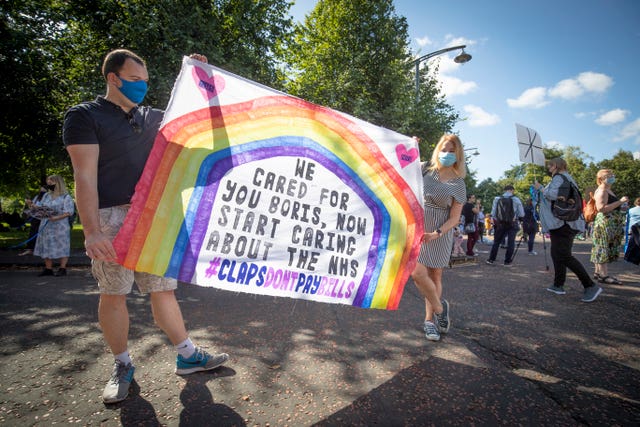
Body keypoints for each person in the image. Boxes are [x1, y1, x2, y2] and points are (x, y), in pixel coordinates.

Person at [63, 49, 229, 404]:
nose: (142, 87)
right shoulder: (84, 116)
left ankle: (187, 355)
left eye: (145, 81)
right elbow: (84, 175)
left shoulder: (156, 118)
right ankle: (122, 365)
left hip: (154, 216)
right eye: (135, 80)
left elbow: (212, 134)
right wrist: (91, 230)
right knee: (114, 292)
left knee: (164, 289)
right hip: (109, 217)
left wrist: (205, 83)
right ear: (113, 77)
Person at [411, 134, 466, 341]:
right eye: (444, 150)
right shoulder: (425, 168)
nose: (447, 154)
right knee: (417, 273)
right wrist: (411, 146)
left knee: (435, 277)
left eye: (452, 152)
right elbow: (401, 164)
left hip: (440, 232)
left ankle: (429, 321)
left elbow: (455, 217)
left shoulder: (458, 183)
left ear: (458, 155)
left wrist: (437, 233)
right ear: (438, 150)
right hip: (419, 229)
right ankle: (440, 309)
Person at [534, 158, 602, 302]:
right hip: (565, 222)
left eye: (550, 165)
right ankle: (558, 284)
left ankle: (590, 286)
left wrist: (540, 188)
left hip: (562, 222)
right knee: (557, 253)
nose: (549, 168)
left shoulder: (559, 178)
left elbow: (553, 195)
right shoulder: (567, 178)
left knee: (563, 255)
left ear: (556, 166)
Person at [590, 169, 629, 285]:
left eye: (612, 175)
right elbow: (601, 208)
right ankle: (604, 275)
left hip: (609, 222)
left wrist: (620, 207)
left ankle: (598, 273)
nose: (612, 177)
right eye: (608, 175)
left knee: (601, 246)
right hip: (605, 223)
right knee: (603, 247)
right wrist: (620, 202)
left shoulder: (607, 190)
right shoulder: (602, 190)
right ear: (601, 179)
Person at [30, 175, 74, 276]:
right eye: (48, 183)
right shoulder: (46, 196)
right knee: (47, 245)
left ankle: (62, 269)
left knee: (62, 245)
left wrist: (56, 218)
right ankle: (48, 269)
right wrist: (32, 205)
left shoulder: (66, 196)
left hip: (60, 226)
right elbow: (41, 208)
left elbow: (69, 212)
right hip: (46, 225)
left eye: (51, 184)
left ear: (58, 183)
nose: (49, 185)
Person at [486, 185, 524, 266]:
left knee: (496, 242)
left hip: (501, 224)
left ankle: (491, 259)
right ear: (511, 190)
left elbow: (493, 213)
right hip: (512, 224)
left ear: (505, 190)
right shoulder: (516, 199)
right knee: (511, 242)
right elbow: (522, 214)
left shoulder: (497, 199)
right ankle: (507, 261)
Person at [18, 186, 47, 256]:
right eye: (41, 188)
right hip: (35, 218)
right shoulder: (37, 197)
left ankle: (42, 250)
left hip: (45, 218)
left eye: (44, 188)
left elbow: (44, 208)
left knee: (44, 234)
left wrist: (32, 204)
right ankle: (30, 250)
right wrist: (29, 204)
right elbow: (32, 207)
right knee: (32, 233)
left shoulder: (48, 197)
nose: (42, 189)